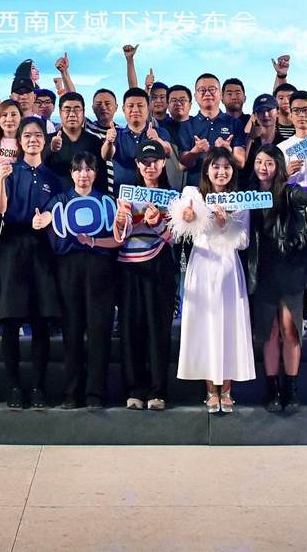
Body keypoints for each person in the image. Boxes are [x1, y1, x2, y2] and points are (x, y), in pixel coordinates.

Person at [171, 147, 255, 413]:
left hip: (229, 267)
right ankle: (210, 390)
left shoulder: (240, 200)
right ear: (206, 170)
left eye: (226, 167)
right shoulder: (193, 194)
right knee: (205, 326)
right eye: (215, 166)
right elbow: (180, 227)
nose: (221, 172)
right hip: (202, 265)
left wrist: (225, 224)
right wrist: (187, 217)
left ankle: (227, 390)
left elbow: (244, 241)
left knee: (229, 325)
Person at [33, 153, 121, 409]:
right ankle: (71, 391)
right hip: (68, 267)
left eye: (89, 169)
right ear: (71, 173)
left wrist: (96, 241)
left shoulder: (107, 201)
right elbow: (44, 221)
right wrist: (41, 221)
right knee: (71, 329)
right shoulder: (59, 200)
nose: (84, 174)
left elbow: (118, 238)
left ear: (96, 173)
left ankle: (95, 393)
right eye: (78, 169)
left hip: (100, 267)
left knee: (99, 330)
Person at [245, 144, 307, 412]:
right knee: (269, 332)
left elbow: (304, 197)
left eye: (269, 162)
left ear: (279, 166)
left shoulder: (289, 191)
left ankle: (290, 388)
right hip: (262, 272)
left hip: (290, 271)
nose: (263, 167)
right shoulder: (248, 194)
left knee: (290, 331)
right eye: (259, 162)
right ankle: (273, 390)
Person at [0, 117, 63, 409]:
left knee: (41, 321)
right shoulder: (8, 170)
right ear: (19, 141)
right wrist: (1, 179)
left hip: (42, 249)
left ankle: (38, 387)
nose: (33, 140)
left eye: (37, 135)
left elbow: (58, 210)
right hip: (11, 247)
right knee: (10, 321)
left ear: (45, 141)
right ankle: (13, 387)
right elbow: (0, 209)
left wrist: (48, 217)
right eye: (27, 136)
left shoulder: (53, 178)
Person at [112, 139, 178, 410]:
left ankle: (157, 390)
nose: (150, 167)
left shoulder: (173, 197)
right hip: (128, 267)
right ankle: (134, 389)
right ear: (138, 165)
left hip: (159, 266)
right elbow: (120, 233)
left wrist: (158, 223)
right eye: (145, 162)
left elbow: (176, 237)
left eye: (155, 162)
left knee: (158, 328)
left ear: (163, 163)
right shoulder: (126, 193)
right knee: (130, 328)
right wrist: (121, 222)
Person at [178, 73, 246, 185]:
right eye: (202, 90)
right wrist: (195, 151)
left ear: (220, 94)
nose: (207, 93)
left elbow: (241, 163)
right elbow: (182, 166)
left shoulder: (235, 123)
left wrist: (228, 151)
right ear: (195, 96)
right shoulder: (186, 125)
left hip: (228, 191)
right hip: (196, 190)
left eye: (212, 89)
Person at [106, 88, 170, 191]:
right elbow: (106, 155)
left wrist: (157, 139)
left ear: (148, 108)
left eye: (140, 105)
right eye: (130, 106)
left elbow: (168, 152)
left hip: (153, 193)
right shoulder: (117, 134)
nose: (135, 110)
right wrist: (109, 141)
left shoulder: (160, 132)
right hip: (122, 194)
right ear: (123, 109)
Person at [46, 92, 108, 192]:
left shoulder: (95, 142)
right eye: (67, 110)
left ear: (83, 112)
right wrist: (50, 149)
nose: (72, 114)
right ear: (60, 112)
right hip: (55, 199)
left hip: (87, 200)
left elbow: (102, 178)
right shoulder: (48, 140)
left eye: (77, 109)